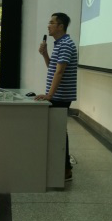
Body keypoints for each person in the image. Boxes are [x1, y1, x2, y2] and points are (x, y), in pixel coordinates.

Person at [35, 12, 77, 181]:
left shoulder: (65, 44)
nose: (48, 25)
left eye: (52, 23)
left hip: (60, 96)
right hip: (57, 95)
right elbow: (53, 67)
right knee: (58, 130)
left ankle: (66, 169)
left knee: (59, 131)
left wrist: (49, 95)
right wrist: (45, 54)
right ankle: (61, 166)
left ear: (61, 26)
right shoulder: (59, 44)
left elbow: (59, 72)